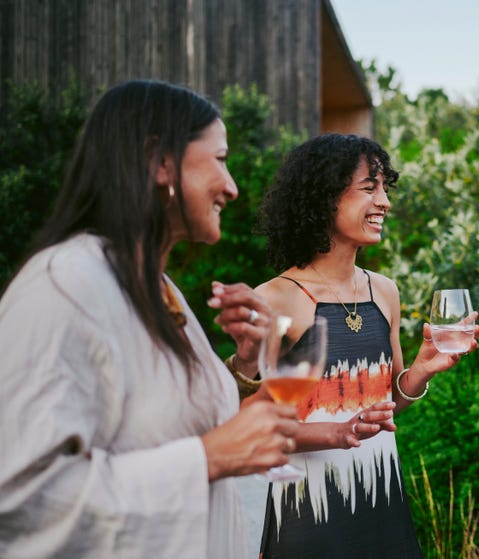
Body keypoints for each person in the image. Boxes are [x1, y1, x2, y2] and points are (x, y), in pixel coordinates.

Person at [0, 79, 300, 558]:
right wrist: (208, 459)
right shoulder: (63, 287)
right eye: (220, 159)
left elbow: (167, 418)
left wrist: (245, 366)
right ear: (160, 161)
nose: (233, 188)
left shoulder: (157, 287)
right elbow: (24, 501)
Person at [224, 133, 479, 558]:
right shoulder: (275, 298)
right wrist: (337, 433)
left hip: (382, 502)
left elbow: (386, 407)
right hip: (310, 515)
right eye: (368, 188)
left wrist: (420, 372)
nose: (384, 202)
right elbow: (250, 424)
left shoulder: (384, 291)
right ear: (325, 198)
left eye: (384, 188)